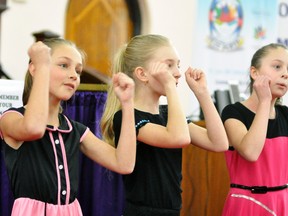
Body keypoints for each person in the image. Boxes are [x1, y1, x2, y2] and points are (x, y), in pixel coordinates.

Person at [0, 38, 136, 216]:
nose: (74, 75)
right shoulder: (12, 117)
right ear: (34, 68)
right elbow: (33, 128)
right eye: (64, 65)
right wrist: (41, 67)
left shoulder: (75, 130)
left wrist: (127, 104)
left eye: (78, 70)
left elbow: (123, 164)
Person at [101, 34, 228, 216]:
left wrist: (202, 93)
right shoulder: (127, 117)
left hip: (172, 211)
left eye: (178, 65)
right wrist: (169, 86)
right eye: (169, 65)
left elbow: (218, 143)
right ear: (142, 74)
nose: (177, 72)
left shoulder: (168, 113)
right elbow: (178, 138)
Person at [221, 43, 288, 216]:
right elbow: (250, 152)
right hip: (246, 203)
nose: (285, 74)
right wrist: (265, 101)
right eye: (277, 66)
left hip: (282, 203)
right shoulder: (233, 112)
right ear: (254, 73)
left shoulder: (285, 114)